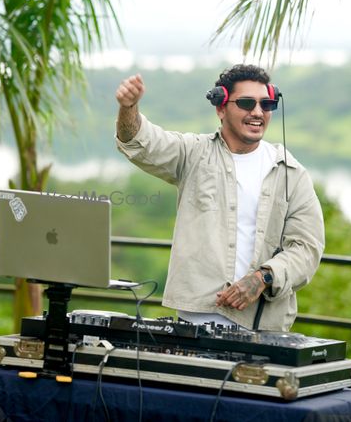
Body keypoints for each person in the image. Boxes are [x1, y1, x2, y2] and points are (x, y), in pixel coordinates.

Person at [115, 64, 324, 331]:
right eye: (246, 103)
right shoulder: (194, 154)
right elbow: (138, 141)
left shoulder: (291, 173)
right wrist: (129, 107)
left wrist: (263, 278)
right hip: (195, 322)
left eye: (266, 104)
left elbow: (307, 248)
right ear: (221, 108)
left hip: (264, 329)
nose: (257, 112)